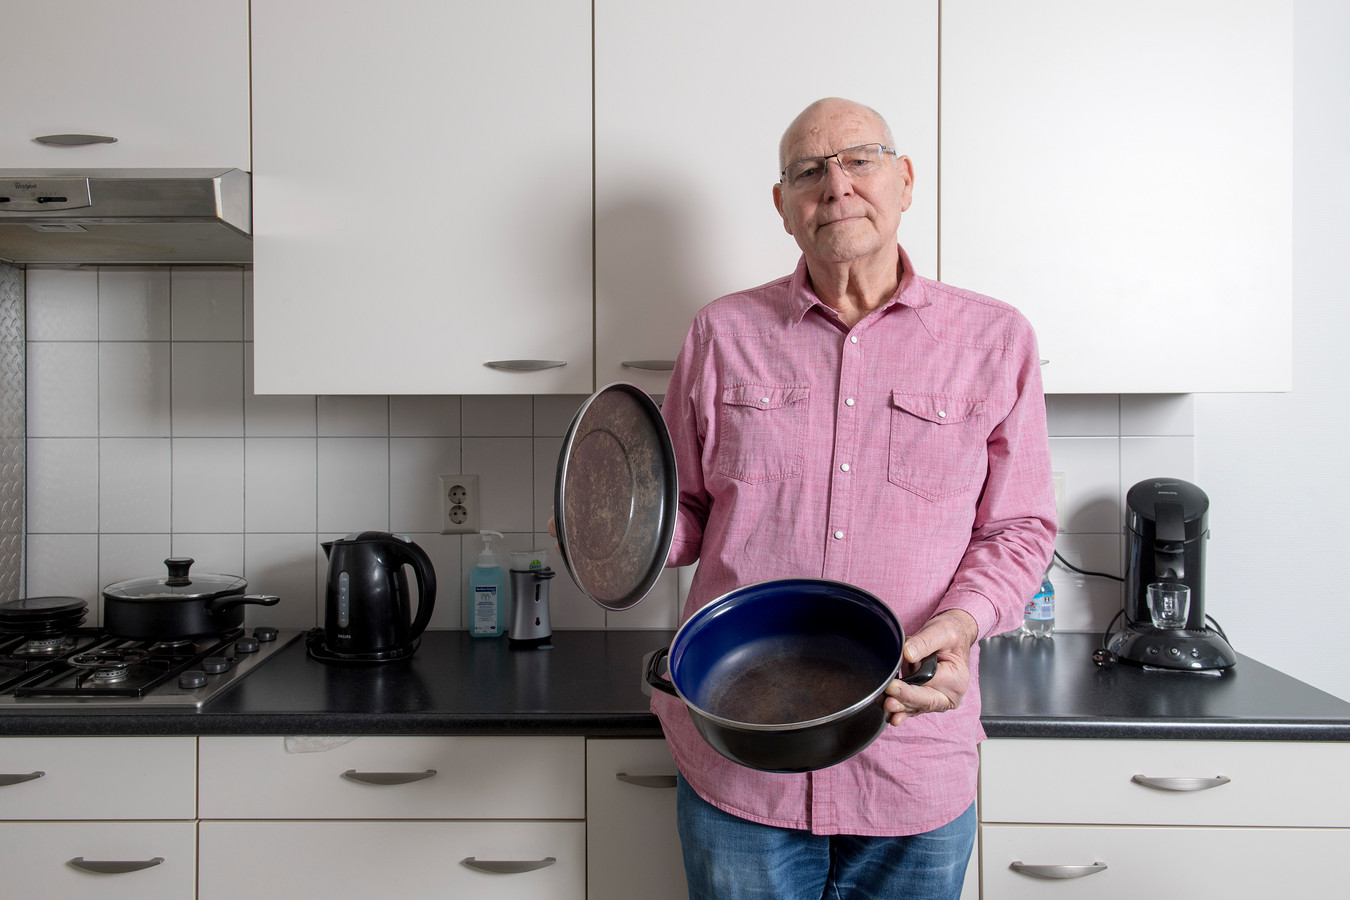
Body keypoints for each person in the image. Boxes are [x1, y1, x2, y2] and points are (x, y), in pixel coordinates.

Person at [655, 97, 1058, 899]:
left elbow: (1017, 529)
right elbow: (683, 511)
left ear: (905, 181)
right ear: (783, 207)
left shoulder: (995, 341)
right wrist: (614, 535)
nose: (835, 185)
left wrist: (961, 622)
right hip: (742, 761)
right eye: (808, 171)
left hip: (912, 759)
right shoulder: (720, 335)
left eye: (860, 160)